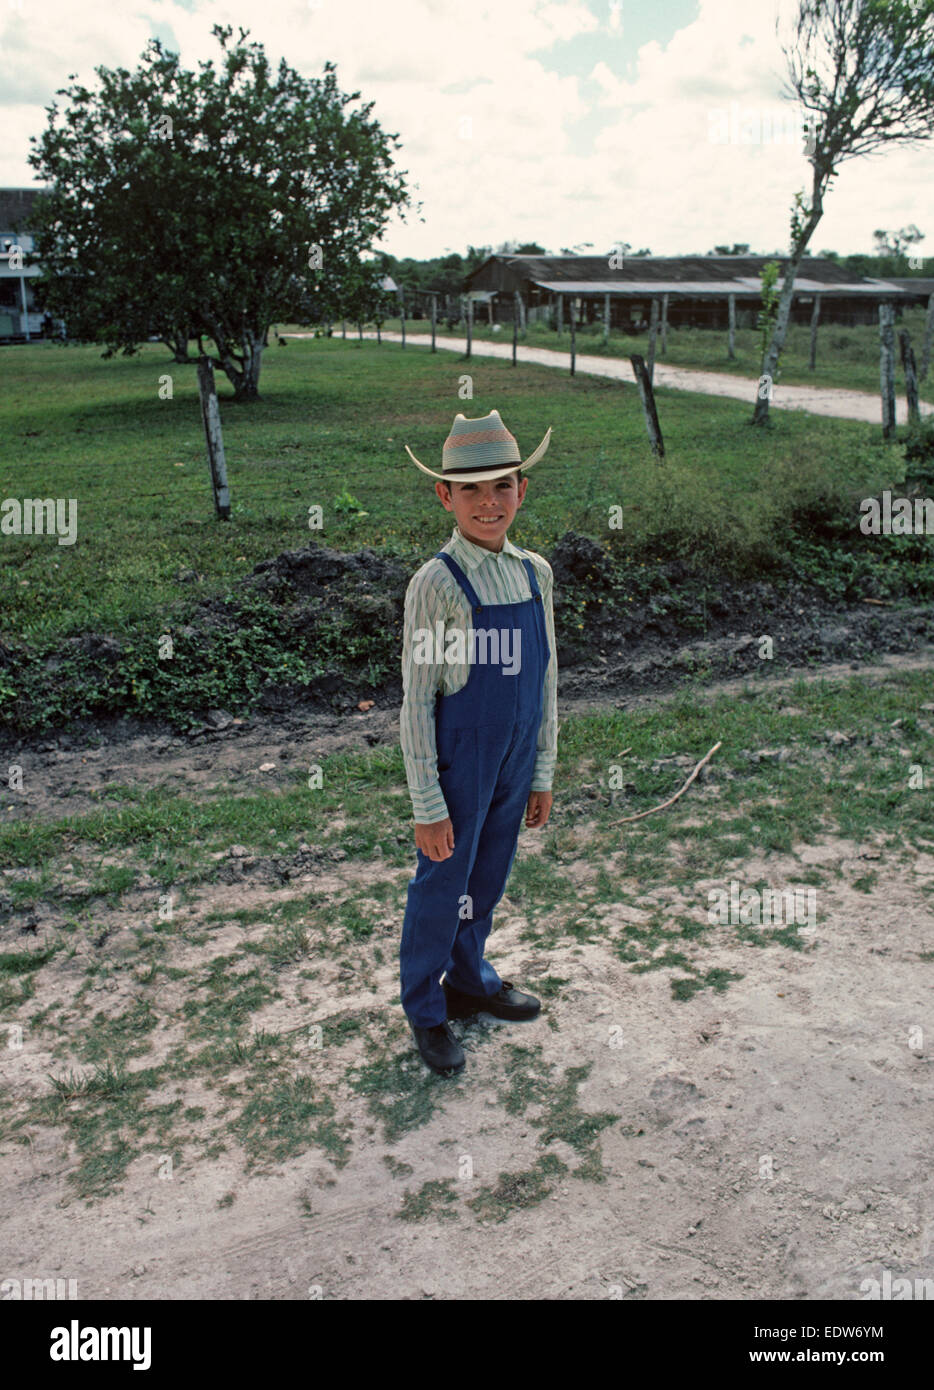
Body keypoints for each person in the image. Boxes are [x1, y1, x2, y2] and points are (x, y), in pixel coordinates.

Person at [399, 409, 558, 1074]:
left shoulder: (534, 573)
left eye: (502, 486)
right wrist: (426, 803)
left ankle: (469, 982)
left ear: (523, 489)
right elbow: (415, 701)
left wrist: (544, 767)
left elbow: (547, 675)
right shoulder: (437, 584)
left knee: (487, 876)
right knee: (445, 882)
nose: (489, 502)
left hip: (516, 752)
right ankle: (426, 1010)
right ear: (445, 495)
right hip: (460, 756)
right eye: (471, 489)